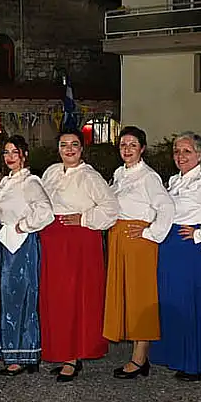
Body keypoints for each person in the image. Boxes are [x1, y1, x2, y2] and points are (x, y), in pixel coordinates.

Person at [39, 131, 119, 382]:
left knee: (74, 298)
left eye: (74, 145)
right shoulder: (51, 172)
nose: (69, 149)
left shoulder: (90, 177)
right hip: (53, 239)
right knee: (55, 298)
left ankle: (73, 357)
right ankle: (61, 350)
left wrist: (84, 219)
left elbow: (111, 209)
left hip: (78, 241)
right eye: (64, 145)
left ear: (82, 149)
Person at [156, 132, 201, 381]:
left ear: (199, 155)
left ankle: (198, 363)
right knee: (176, 302)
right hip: (172, 247)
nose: (180, 156)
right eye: (177, 151)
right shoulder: (174, 181)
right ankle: (179, 356)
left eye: (187, 151)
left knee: (195, 305)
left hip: (192, 250)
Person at [104, 126, 174, 379]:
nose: (127, 149)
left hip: (138, 242)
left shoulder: (148, 177)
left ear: (142, 149)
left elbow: (166, 207)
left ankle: (139, 357)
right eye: (123, 144)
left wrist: (149, 233)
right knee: (124, 294)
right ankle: (135, 351)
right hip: (119, 240)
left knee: (140, 296)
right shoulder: (119, 174)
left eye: (133, 145)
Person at [0, 136, 53, 375]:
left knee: (19, 297)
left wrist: (22, 226)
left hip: (20, 245)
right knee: (4, 296)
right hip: (4, 244)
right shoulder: (8, 182)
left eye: (15, 152)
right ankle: (9, 349)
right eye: (6, 152)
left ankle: (21, 354)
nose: (10, 157)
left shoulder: (30, 182)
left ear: (24, 155)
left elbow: (46, 212)